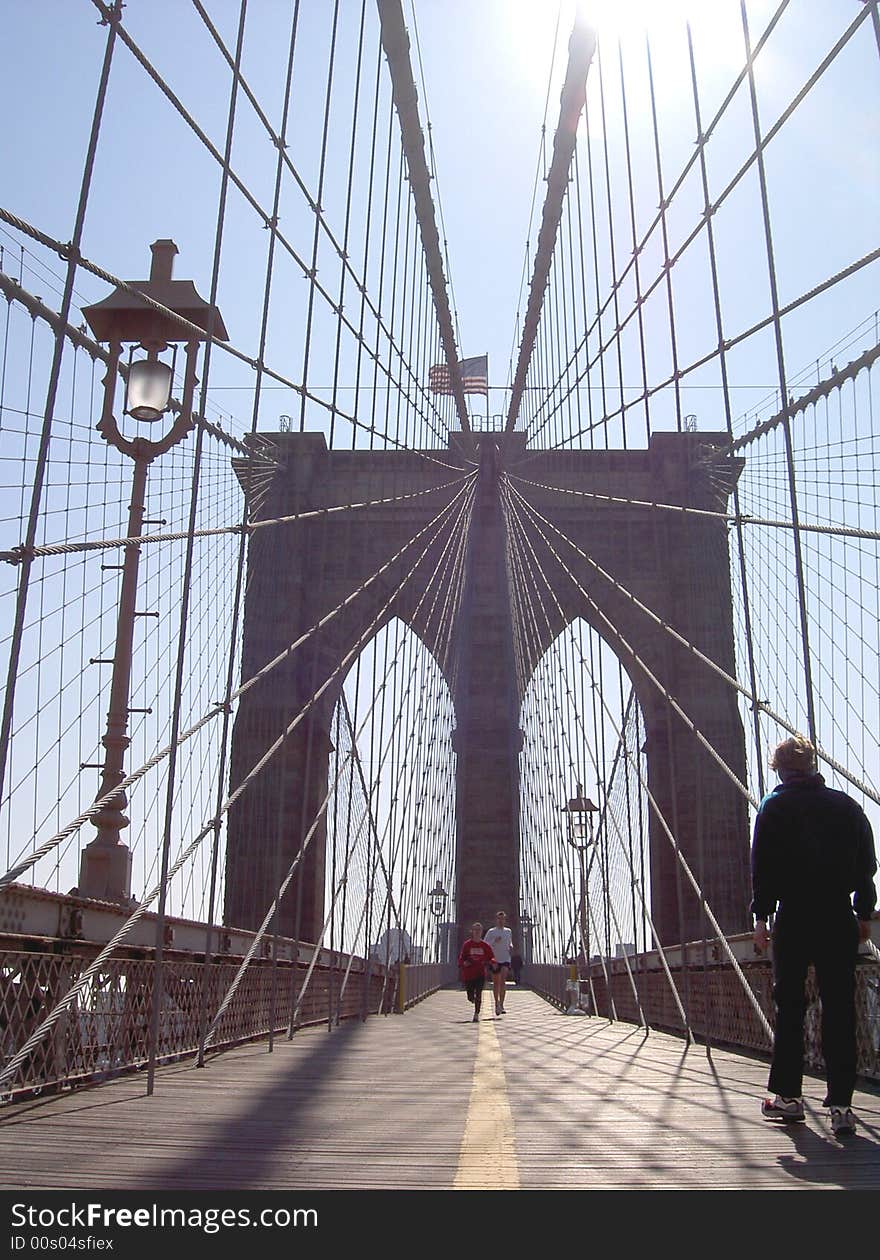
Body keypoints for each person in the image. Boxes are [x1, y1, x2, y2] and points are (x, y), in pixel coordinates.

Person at [751, 734, 877, 1136]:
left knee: (790, 1005)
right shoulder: (847, 806)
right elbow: (866, 865)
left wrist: (761, 918)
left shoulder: (773, 807)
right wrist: (861, 912)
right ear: (812, 766)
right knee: (840, 1008)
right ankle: (841, 1105)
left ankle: (788, 1098)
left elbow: (763, 870)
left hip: (794, 918)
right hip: (837, 916)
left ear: (781, 769)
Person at [458, 923, 495, 1023]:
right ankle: (472, 999)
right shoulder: (467, 945)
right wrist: (463, 963)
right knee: (470, 996)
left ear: (482, 932)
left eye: (479, 930)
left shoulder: (485, 946)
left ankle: (476, 1014)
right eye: (475, 930)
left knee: (479, 994)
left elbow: (491, 957)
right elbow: (461, 957)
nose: (477, 932)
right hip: (468, 974)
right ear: (472, 931)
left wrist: (492, 962)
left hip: (480, 974)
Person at [483, 910, 514, 1015]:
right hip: (494, 960)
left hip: (505, 958)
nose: (501, 921)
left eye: (503, 919)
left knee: (503, 980)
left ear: (505, 920)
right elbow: (485, 944)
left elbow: (510, 942)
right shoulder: (491, 932)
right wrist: (494, 942)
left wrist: (511, 946)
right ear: (496, 920)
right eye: (499, 919)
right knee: (496, 983)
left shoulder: (508, 931)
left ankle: (502, 1004)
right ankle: (496, 1003)